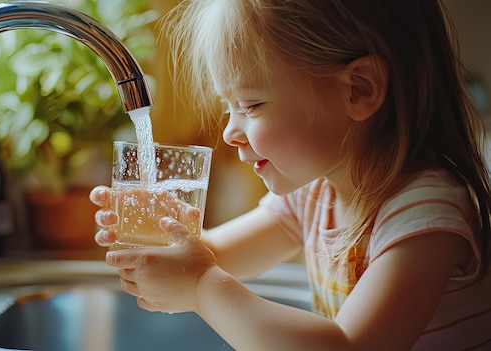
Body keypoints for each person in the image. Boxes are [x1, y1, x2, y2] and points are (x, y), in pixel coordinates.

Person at [89, 0, 491, 349]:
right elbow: (218, 257)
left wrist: (198, 286)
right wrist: (158, 235)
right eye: (228, 106)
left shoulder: (424, 218)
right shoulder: (315, 193)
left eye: (251, 105)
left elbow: (350, 349)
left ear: (359, 90)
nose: (230, 131)